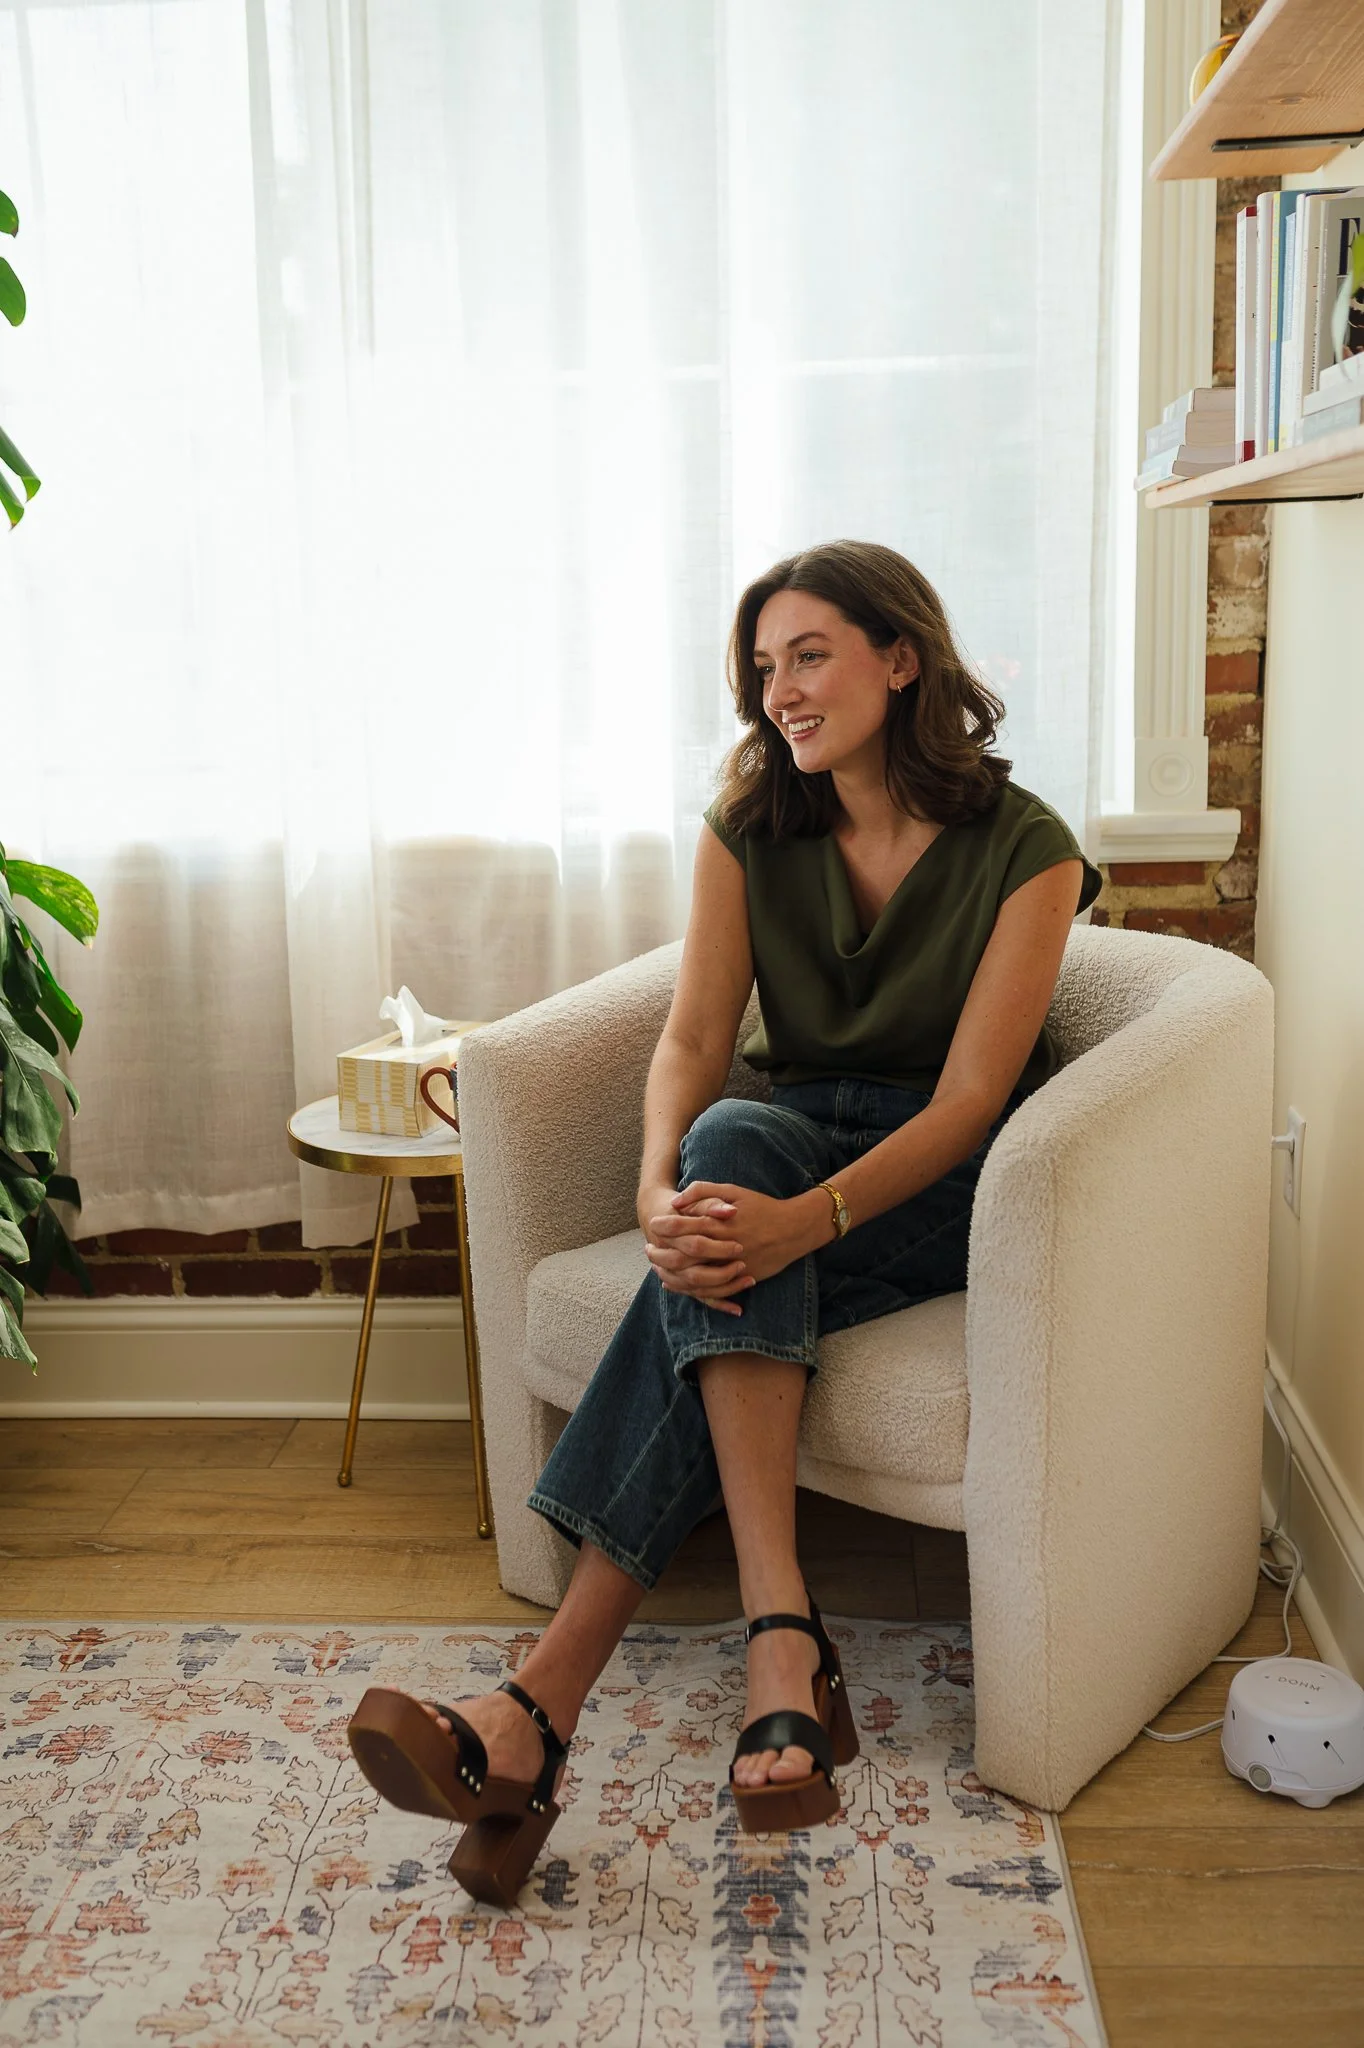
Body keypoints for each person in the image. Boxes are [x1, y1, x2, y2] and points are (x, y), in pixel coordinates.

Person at [347, 538, 1104, 1903]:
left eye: (810, 655)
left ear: (901, 659)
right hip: (789, 1137)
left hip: (949, 1181)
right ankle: (778, 1633)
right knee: (722, 1152)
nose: (781, 692)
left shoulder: (1027, 846)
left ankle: (539, 1711)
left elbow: (973, 1101)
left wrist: (803, 1225)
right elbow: (695, 1040)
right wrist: (656, 1192)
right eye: (764, 668)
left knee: (726, 1239)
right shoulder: (750, 825)